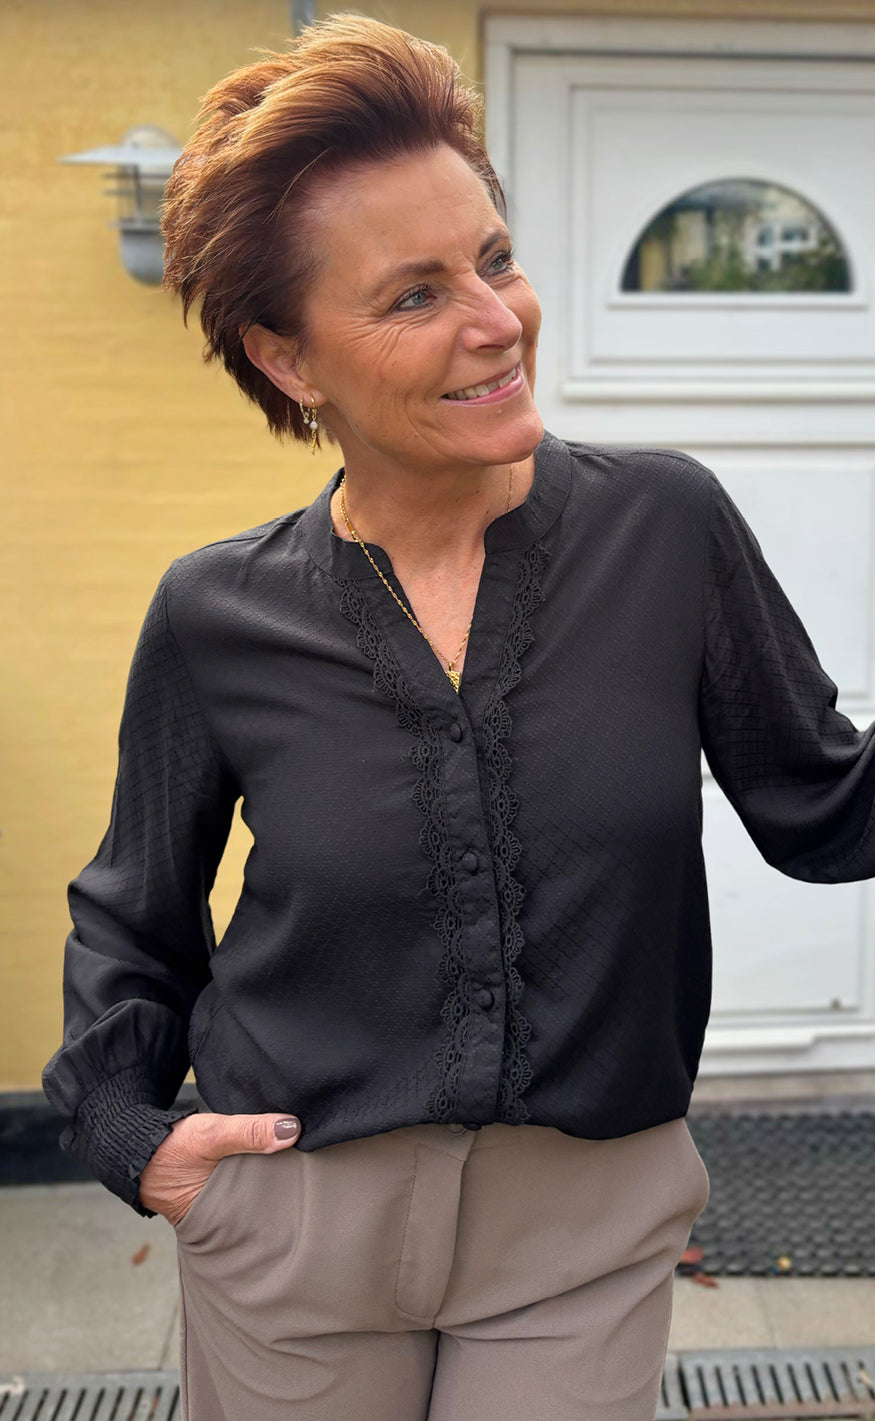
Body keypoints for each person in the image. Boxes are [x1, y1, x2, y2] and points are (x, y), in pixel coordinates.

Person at [43, 14, 875, 1421]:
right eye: (414, 295)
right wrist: (135, 1138)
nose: (497, 322)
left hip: (583, 1225)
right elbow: (136, 913)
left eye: (494, 258)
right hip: (294, 1218)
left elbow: (826, 807)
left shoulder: (667, 528)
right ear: (289, 360)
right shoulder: (214, 613)